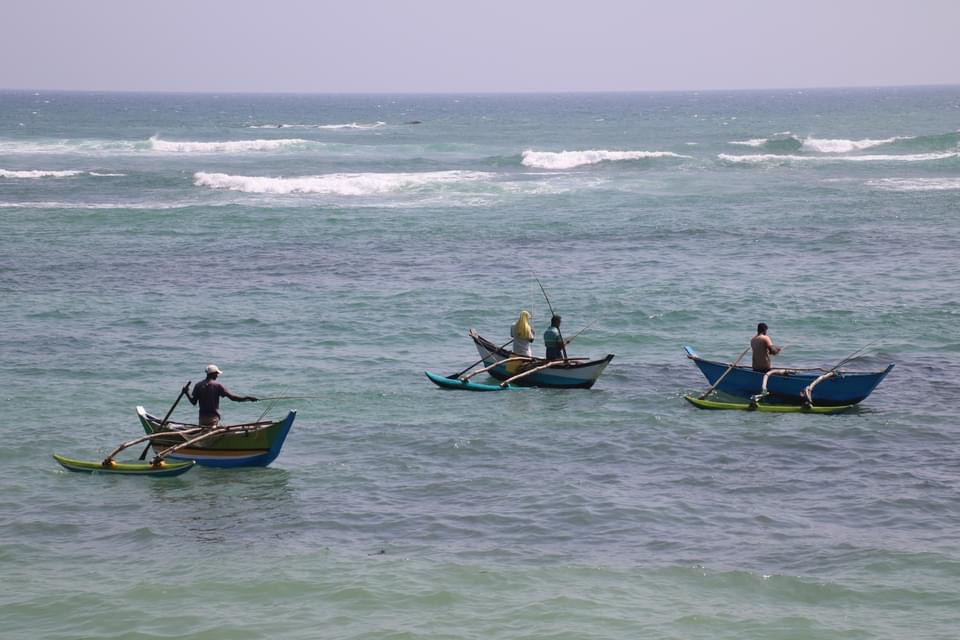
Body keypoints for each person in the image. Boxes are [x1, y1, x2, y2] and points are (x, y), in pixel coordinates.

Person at [183, 364, 258, 426]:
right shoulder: (217, 385)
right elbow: (233, 398)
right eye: (217, 374)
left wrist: (187, 393)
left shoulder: (198, 385)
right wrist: (248, 397)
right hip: (213, 419)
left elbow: (193, 402)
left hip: (202, 419)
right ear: (213, 374)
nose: (217, 376)